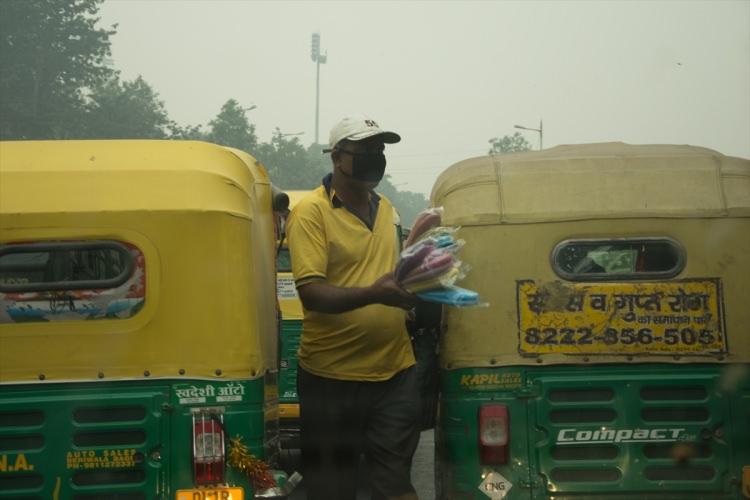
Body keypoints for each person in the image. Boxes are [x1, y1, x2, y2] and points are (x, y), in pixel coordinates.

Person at [286, 115, 421, 500]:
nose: (375, 159)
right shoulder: (311, 212)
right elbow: (311, 293)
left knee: (393, 482)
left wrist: (415, 290)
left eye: (379, 151)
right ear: (337, 157)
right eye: (364, 152)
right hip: (331, 378)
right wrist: (376, 294)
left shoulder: (388, 209)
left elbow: (395, 273)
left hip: (395, 372)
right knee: (333, 488)